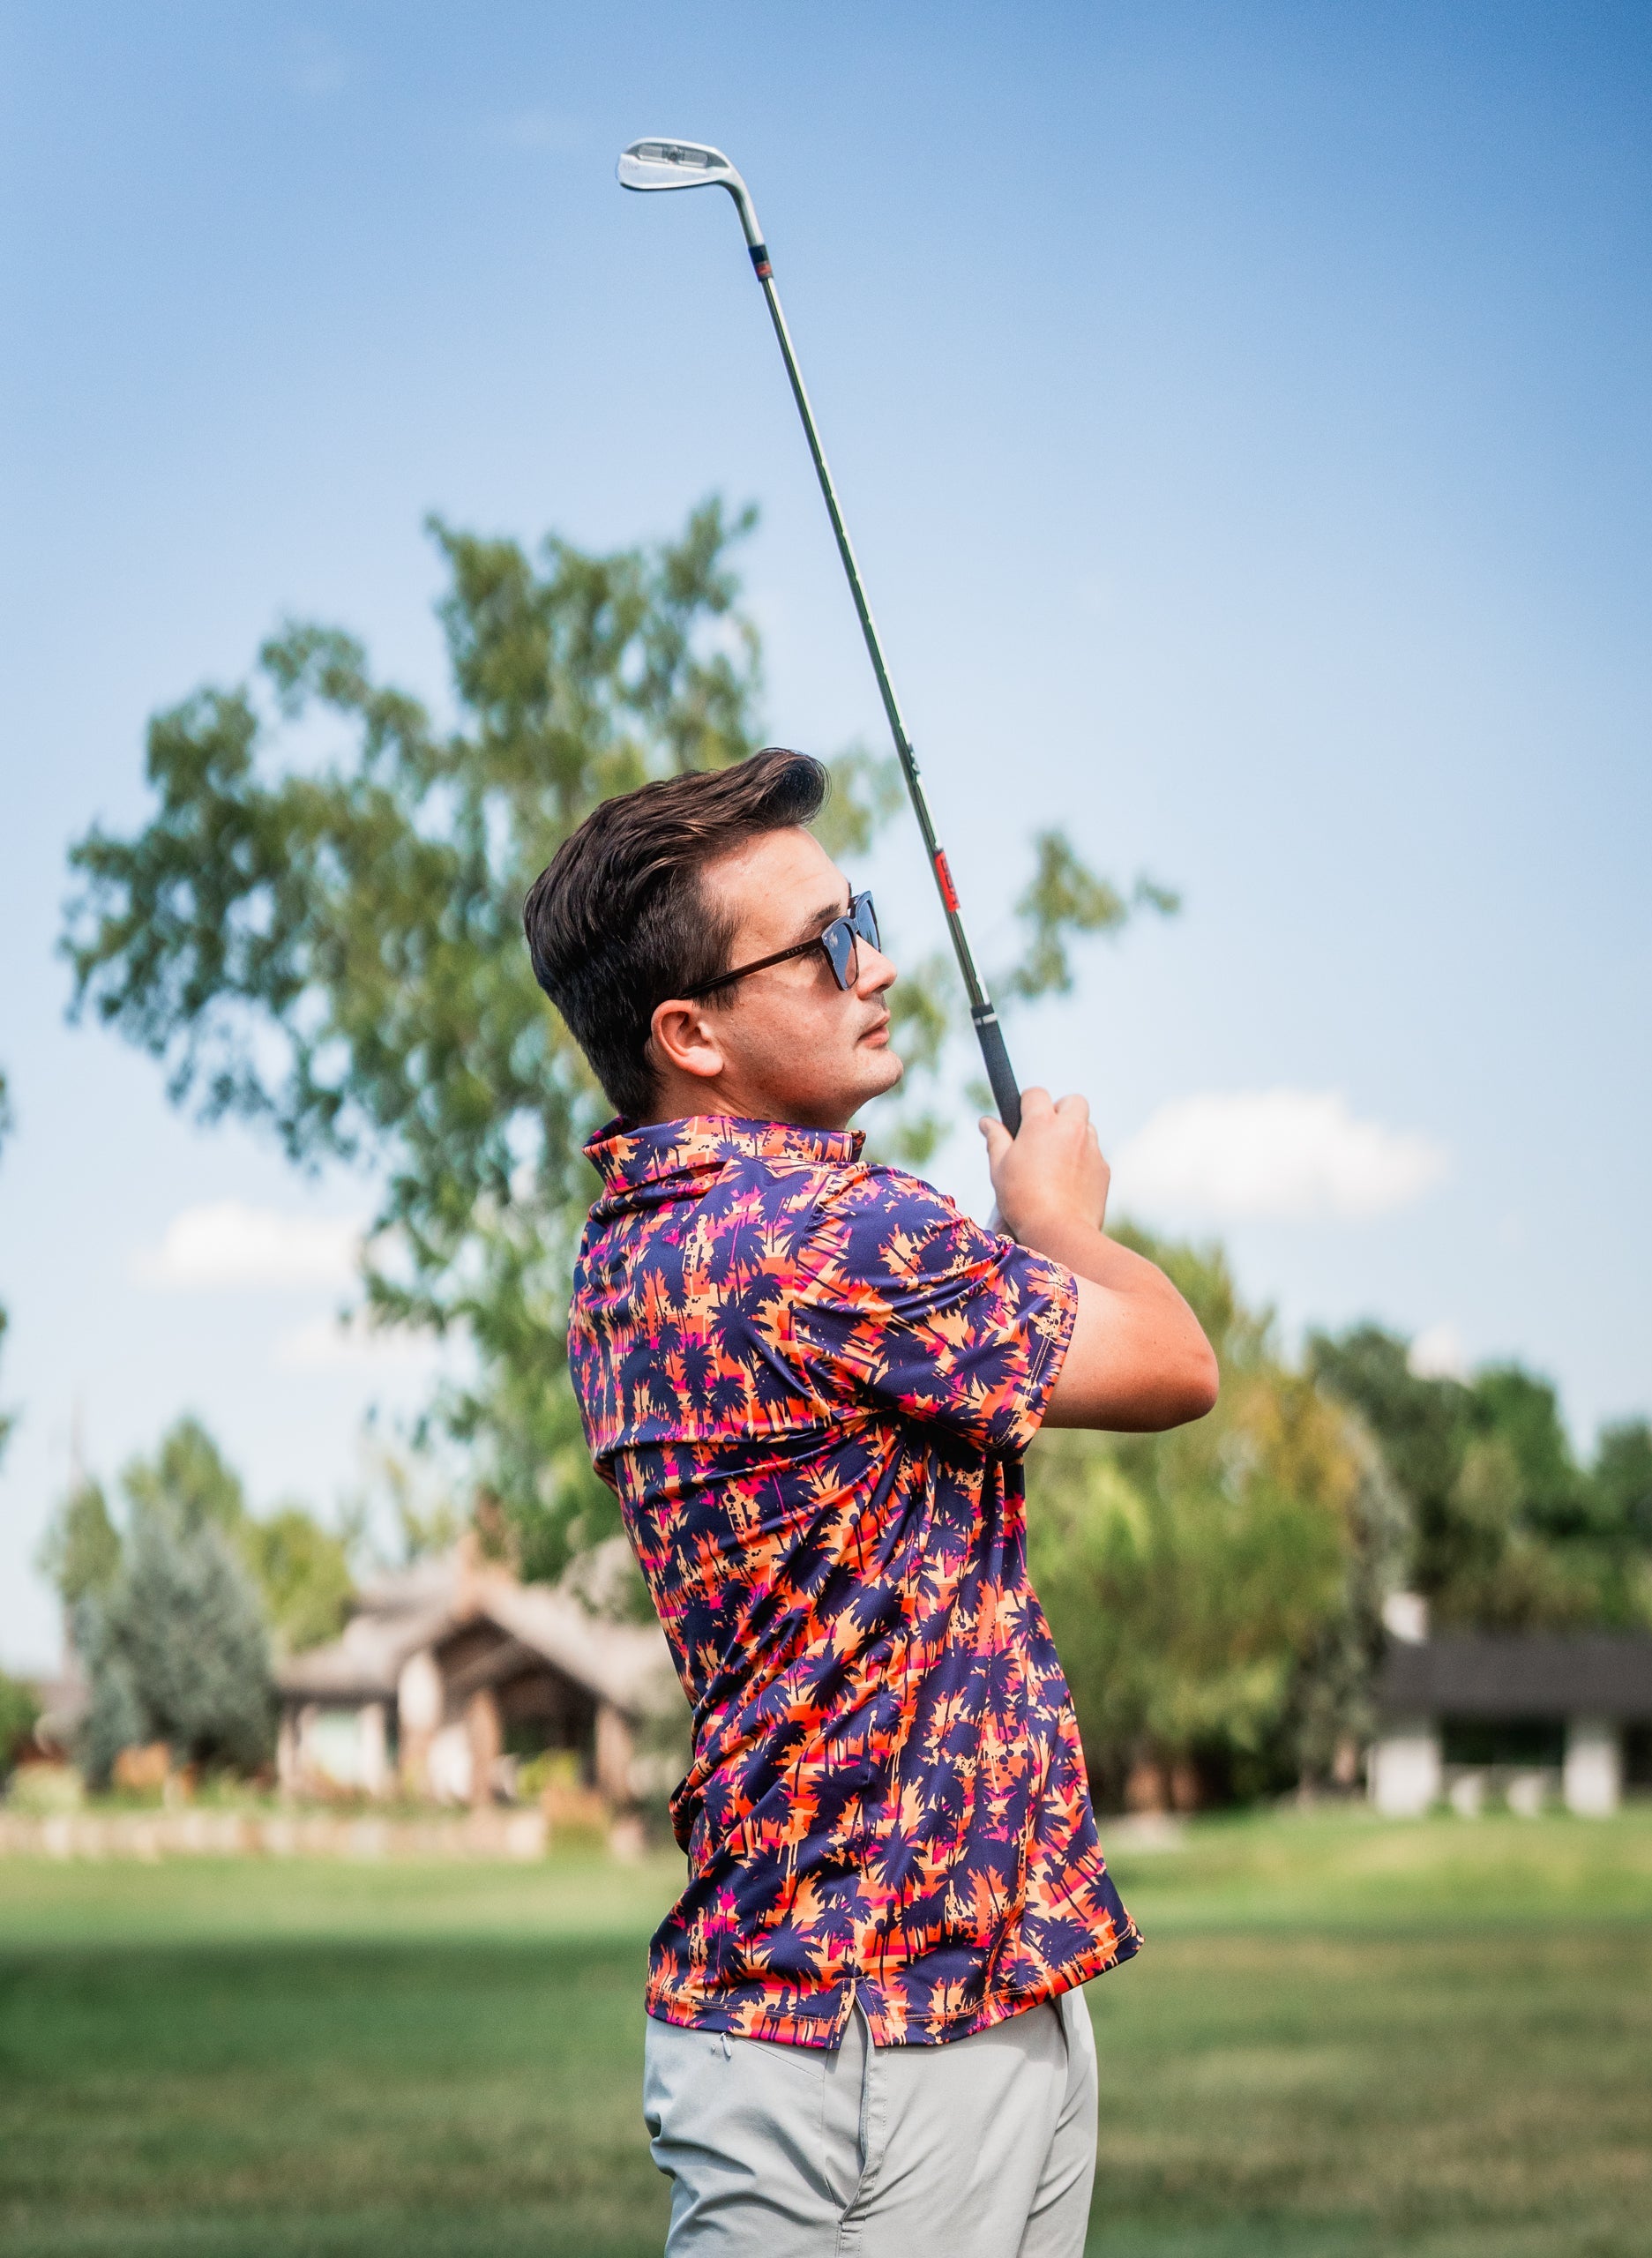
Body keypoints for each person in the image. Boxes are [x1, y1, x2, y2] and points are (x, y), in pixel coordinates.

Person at [524, 747, 1217, 2258]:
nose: (879, 965)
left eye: (868, 916)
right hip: (879, 2040)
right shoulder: (826, 1236)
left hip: (935, 1999)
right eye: (826, 944)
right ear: (690, 1032)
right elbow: (1175, 1362)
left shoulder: (630, 1250)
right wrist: (1057, 1225)